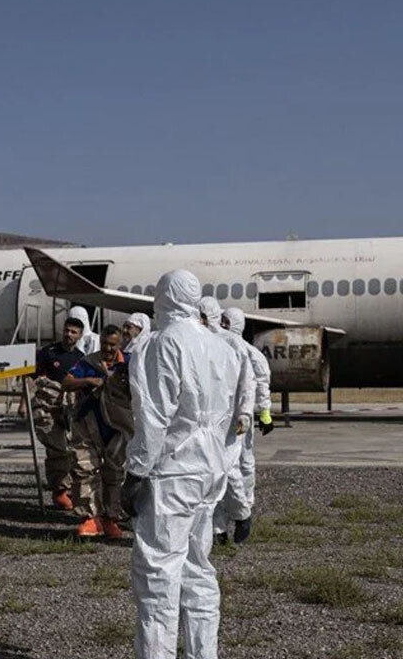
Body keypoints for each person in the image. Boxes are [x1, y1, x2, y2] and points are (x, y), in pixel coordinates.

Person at [121, 270, 251, 659]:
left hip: (173, 473)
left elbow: (153, 419)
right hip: (211, 471)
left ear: (163, 298)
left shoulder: (161, 345)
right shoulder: (222, 346)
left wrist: (135, 474)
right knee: (198, 569)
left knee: (158, 575)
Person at [197, 297, 256, 546]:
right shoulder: (196, 342)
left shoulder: (231, 343)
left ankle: (242, 514)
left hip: (230, 420)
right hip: (204, 419)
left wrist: (245, 412)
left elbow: (247, 381)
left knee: (229, 471)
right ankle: (218, 530)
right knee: (210, 476)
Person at [61, 325, 128, 538]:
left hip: (118, 427)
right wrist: (89, 381)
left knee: (115, 473)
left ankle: (110, 518)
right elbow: (67, 382)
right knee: (84, 469)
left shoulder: (129, 362)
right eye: (105, 344)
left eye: (112, 345)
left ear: (119, 344)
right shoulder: (88, 363)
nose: (108, 349)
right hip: (89, 423)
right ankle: (90, 518)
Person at [216, 307, 272, 544]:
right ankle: (218, 527)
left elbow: (260, 384)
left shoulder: (249, 353)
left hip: (239, 421)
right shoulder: (215, 347)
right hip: (219, 420)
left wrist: (264, 413)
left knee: (242, 466)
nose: (223, 325)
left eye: (227, 321)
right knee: (219, 472)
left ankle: (244, 508)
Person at [28, 316, 85, 509]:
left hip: (69, 409)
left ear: (80, 335)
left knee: (72, 450)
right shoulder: (49, 353)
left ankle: (69, 488)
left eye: (73, 332)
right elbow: (32, 378)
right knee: (57, 448)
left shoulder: (80, 357)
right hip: (47, 408)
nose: (69, 335)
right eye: (67, 330)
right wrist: (23, 403)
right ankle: (59, 490)